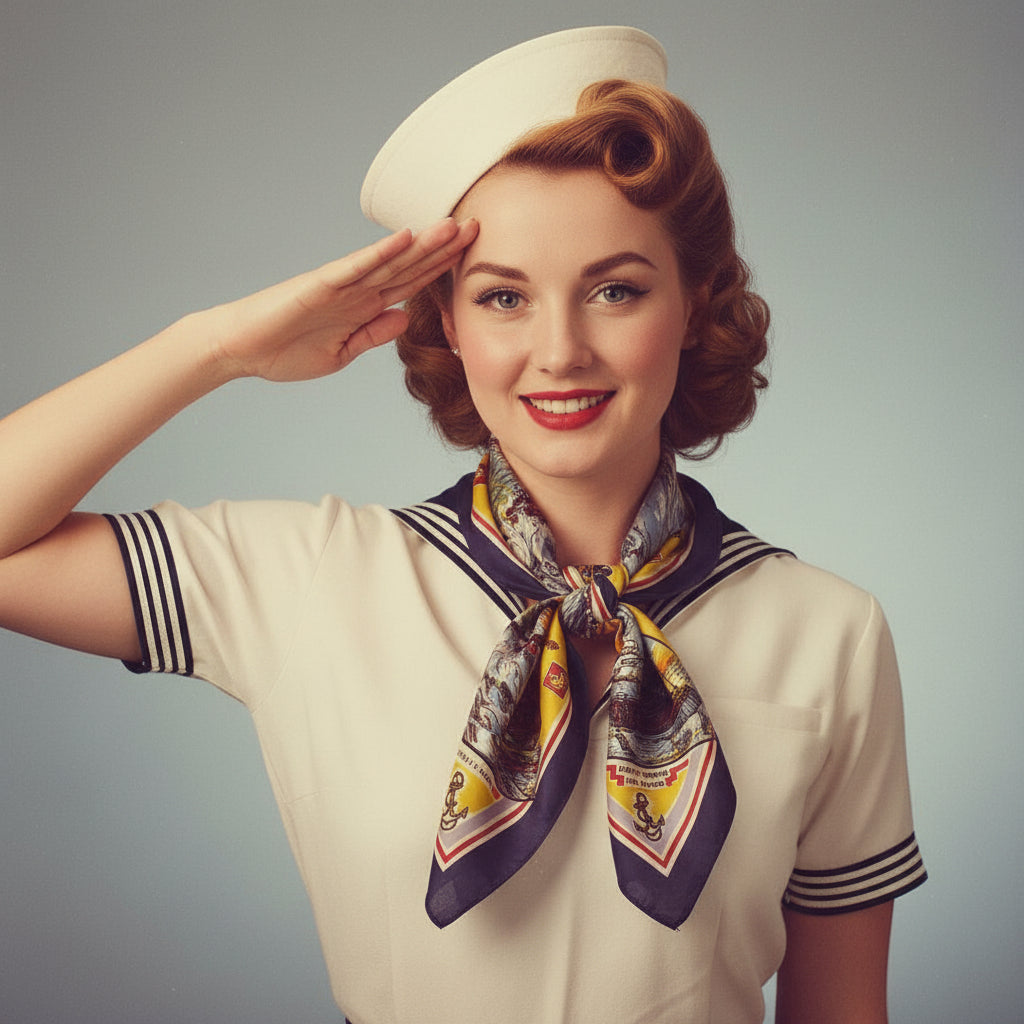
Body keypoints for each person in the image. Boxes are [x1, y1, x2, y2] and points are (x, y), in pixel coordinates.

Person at [0, 26, 925, 1024]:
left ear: (696, 302)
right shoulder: (310, 579)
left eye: (615, 289)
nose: (559, 350)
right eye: (503, 297)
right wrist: (216, 346)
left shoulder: (831, 633)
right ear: (446, 318)